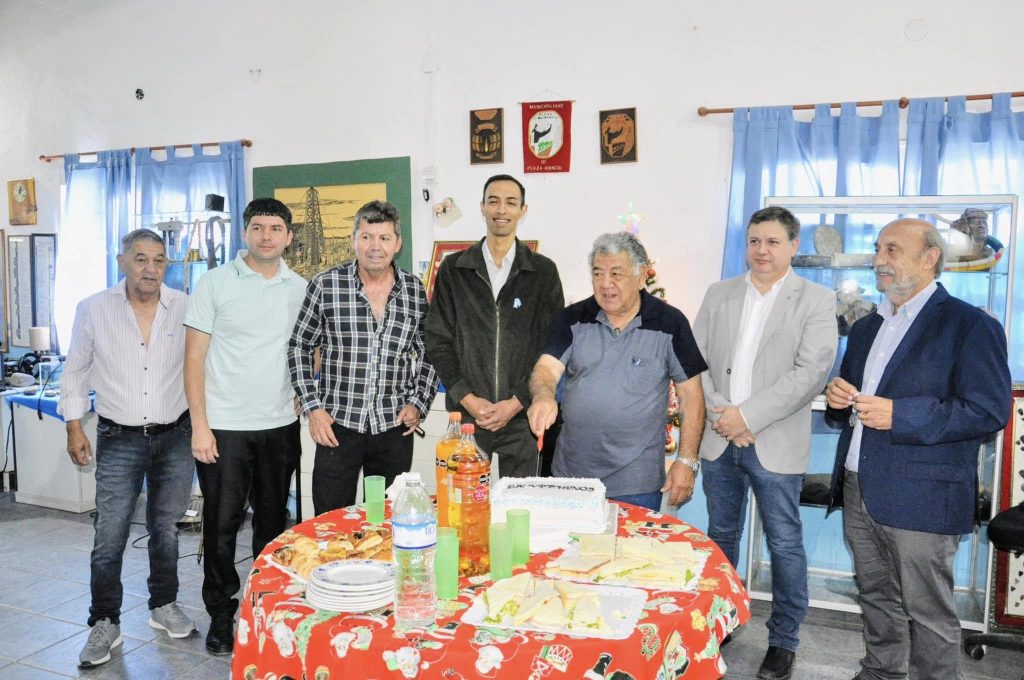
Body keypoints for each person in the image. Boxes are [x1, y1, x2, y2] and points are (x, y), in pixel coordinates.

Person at [825, 218, 1010, 680]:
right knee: (875, 596)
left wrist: (900, 415)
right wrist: (837, 400)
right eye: (877, 249)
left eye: (891, 250)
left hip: (925, 494)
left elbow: (988, 411)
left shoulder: (969, 325)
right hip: (858, 484)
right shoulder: (866, 326)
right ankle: (881, 671)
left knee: (927, 611)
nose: (878, 260)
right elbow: (850, 403)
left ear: (930, 258)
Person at [693, 206, 838, 680]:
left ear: (793, 246)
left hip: (773, 439)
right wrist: (724, 415)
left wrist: (746, 417)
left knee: (784, 543)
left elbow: (810, 372)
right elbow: (695, 360)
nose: (762, 250)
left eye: (773, 242)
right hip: (720, 439)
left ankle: (783, 641)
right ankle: (721, 622)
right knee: (721, 536)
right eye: (754, 241)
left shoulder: (816, 299)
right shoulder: (719, 293)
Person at [59, 229, 196, 668]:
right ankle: (105, 621)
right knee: (110, 533)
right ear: (122, 262)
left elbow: (200, 367)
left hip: (176, 436)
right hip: (119, 437)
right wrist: (74, 427)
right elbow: (75, 371)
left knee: (166, 528)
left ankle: (164, 604)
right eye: (140, 259)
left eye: (159, 260)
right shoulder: (94, 309)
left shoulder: (185, 307)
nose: (150, 268)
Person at [184, 198, 307, 655]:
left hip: (280, 425)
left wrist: (303, 388)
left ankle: (266, 610)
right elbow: (193, 358)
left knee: (274, 526)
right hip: (224, 428)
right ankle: (221, 614)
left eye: (275, 228)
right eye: (258, 227)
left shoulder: (301, 287)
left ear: (288, 236)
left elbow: (308, 348)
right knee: (221, 525)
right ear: (245, 233)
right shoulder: (214, 283)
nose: (266, 236)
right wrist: (200, 426)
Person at [527, 231, 706, 511]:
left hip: (637, 485)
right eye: (598, 273)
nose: (605, 283)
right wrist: (542, 396)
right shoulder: (573, 318)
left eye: (616, 274)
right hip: (572, 479)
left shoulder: (670, 323)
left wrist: (687, 461)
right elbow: (547, 368)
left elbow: (691, 397)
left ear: (641, 276)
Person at [288, 200, 439, 515]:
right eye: (367, 237)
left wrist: (418, 402)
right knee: (330, 519)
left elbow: (430, 351)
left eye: (384, 238)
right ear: (353, 240)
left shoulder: (413, 290)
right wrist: (313, 409)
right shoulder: (326, 285)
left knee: (387, 518)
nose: (375, 246)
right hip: (336, 425)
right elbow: (300, 346)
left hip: (393, 426)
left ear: (397, 243)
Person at [425, 174, 564, 477]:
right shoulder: (454, 269)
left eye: (511, 202)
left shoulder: (543, 273)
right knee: (464, 502)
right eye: (494, 201)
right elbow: (437, 340)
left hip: (524, 418)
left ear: (523, 210)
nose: (501, 210)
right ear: (482, 207)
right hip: (468, 418)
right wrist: (468, 399)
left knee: (522, 502)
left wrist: (517, 402)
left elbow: (552, 346)